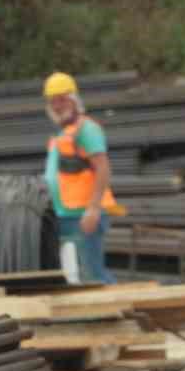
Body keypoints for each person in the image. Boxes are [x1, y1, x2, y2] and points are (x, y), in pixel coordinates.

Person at [43, 71, 124, 284]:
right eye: (53, 102)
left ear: (74, 100)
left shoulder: (87, 130)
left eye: (62, 100)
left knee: (93, 274)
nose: (58, 106)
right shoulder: (63, 135)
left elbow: (103, 167)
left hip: (84, 215)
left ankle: (115, 311)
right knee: (73, 274)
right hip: (64, 214)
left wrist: (94, 208)